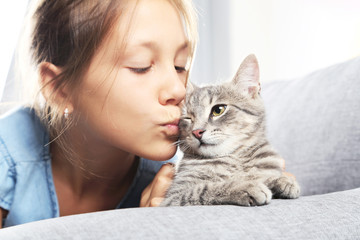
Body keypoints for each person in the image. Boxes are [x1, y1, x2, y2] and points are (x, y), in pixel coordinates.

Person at [0, 0, 197, 228]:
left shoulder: (168, 183)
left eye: (180, 66)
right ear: (59, 88)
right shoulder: (8, 154)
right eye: (140, 66)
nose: (179, 89)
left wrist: (153, 227)